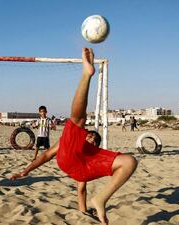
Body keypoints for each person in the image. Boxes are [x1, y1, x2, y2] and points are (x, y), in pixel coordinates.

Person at [10, 48, 138, 224]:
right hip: (69, 159)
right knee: (79, 119)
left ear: (96, 144)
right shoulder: (70, 141)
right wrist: (26, 170)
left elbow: (82, 191)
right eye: (90, 135)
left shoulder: (93, 154)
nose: (91, 138)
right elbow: (47, 155)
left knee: (130, 161)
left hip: (85, 165)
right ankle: (86, 74)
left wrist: (83, 213)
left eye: (94, 139)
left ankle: (100, 200)